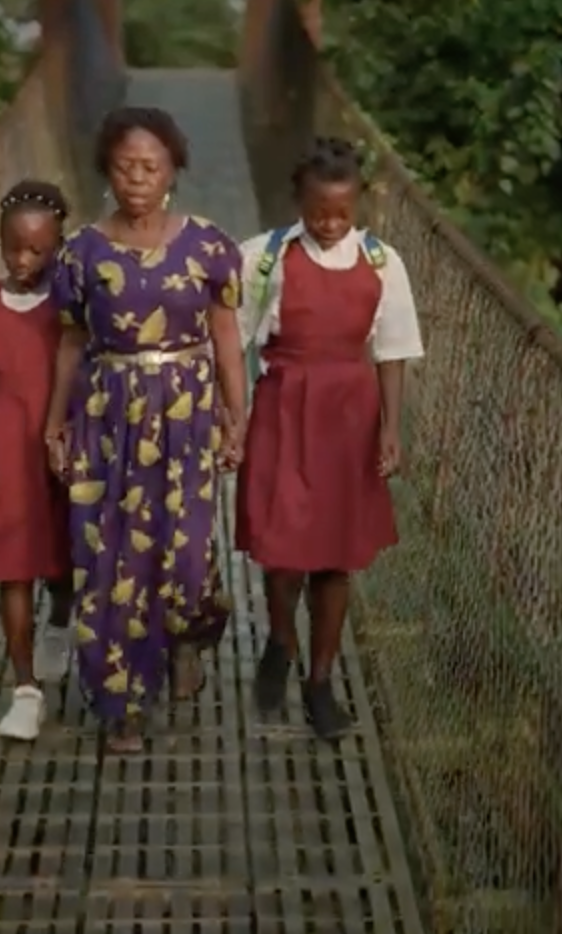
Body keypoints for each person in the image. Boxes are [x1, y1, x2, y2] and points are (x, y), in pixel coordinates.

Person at [43, 106, 249, 754]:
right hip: (109, 416)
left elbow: (227, 340)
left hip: (186, 412)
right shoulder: (80, 253)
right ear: (108, 169)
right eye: (126, 166)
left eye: (150, 167)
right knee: (110, 562)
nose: (137, 178)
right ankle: (120, 705)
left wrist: (236, 415)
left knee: (188, 559)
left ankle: (187, 635)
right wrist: (56, 425)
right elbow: (71, 342)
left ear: (172, 173)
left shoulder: (211, 247)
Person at [235, 137, 425, 741]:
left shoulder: (381, 263)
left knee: (337, 556)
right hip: (285, 407)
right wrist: (228, 415)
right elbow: (229, 336)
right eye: (319, 212)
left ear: (359, 206)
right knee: (285, 546)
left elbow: (392, 350)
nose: (330, 224)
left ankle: (320, 682)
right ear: (298, 201)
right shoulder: (262, 258)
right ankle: (281, 639)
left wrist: (390, 429)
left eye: (342, 213)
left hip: (350, 416)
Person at [0, 179, 77, 741]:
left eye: (37, 250)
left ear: (59, 246)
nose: (23, 259)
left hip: (61, 443)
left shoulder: (69, 303)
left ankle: (60, 618)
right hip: (7, 442)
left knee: (60, 555)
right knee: (13, 566)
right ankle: (25, 691)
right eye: (14, 247)